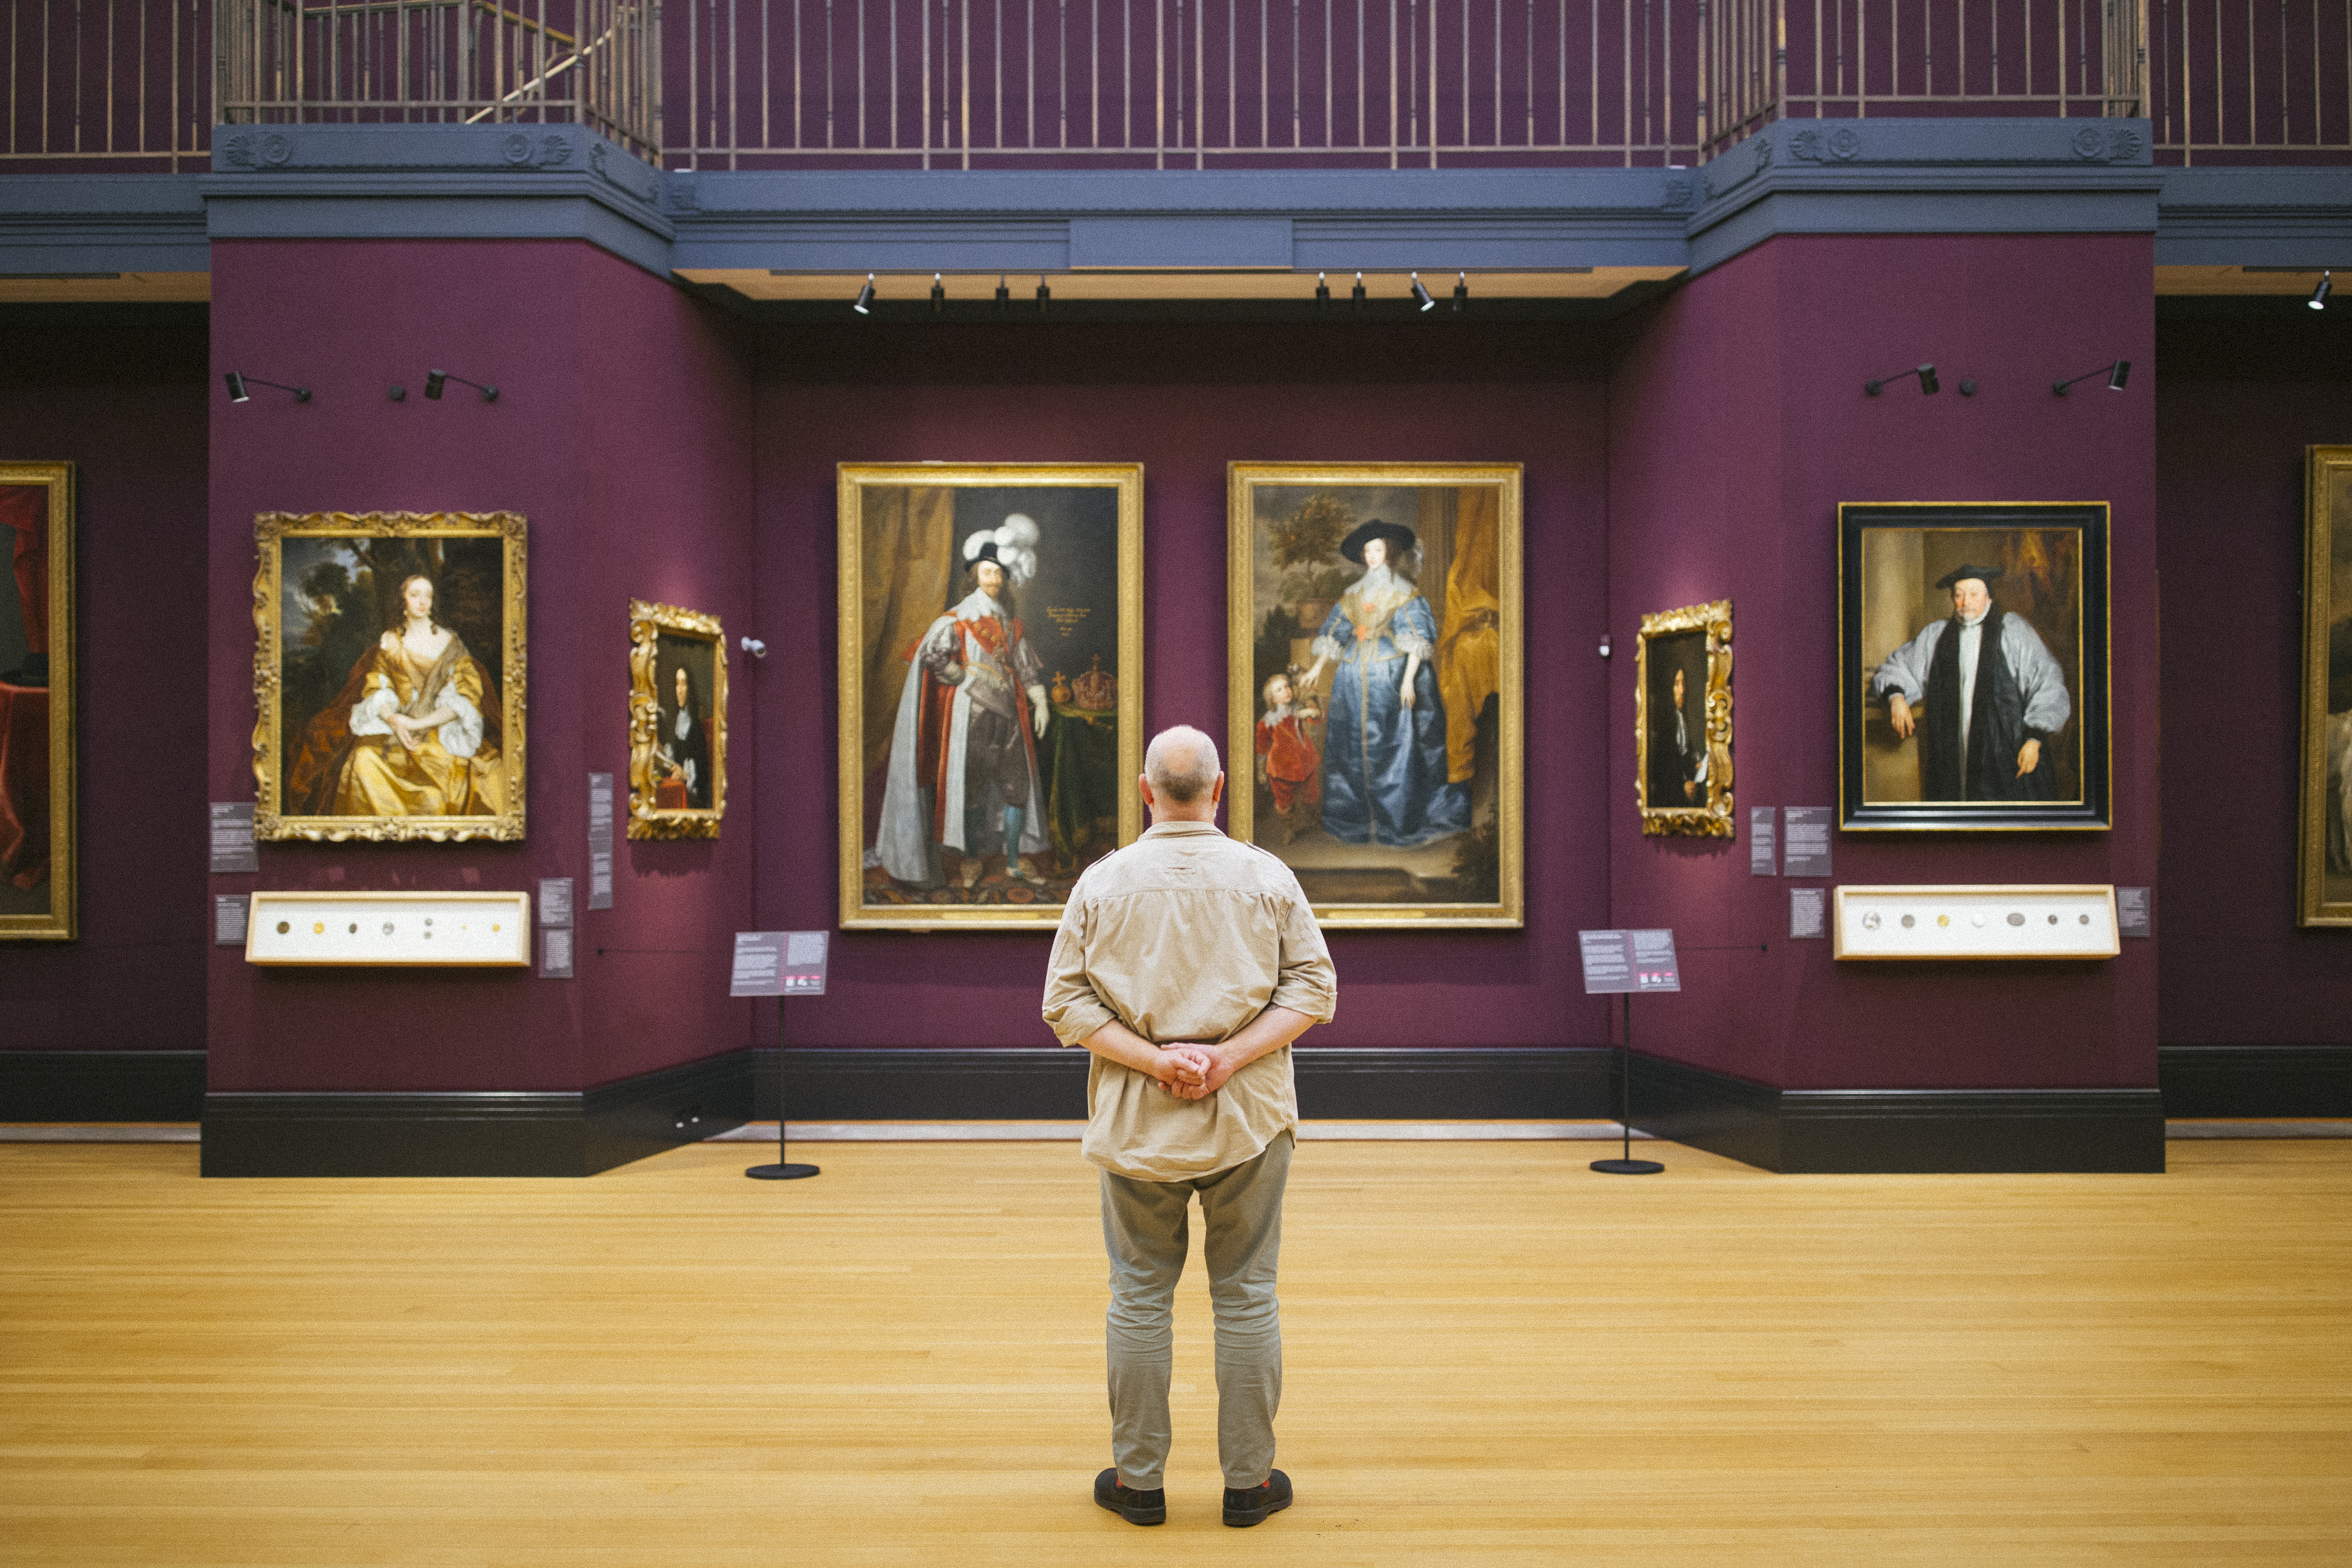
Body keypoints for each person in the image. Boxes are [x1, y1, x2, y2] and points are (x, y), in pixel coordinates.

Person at [1041, 725, 1337, 1530]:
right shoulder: (1265, 875)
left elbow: (1063, 1005)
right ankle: (1248, 1483)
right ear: (1220, 789)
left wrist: (1154, 1060)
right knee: (1246, 1296)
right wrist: (1228, 1058)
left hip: (1141, 1121)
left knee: (1139, 1297)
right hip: (1248, 1118)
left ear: (1146, 789)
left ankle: (1139, 1484)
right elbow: (1316, 987)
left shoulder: (1103, 884)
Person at [874, 517, 1053, 888]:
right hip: (970, 716)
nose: (993, 579)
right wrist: (964, 677)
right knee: (970, 789)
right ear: (975, 575)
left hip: (1010, 719)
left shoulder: (1011, 624)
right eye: (987, 572)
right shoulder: (957, 620)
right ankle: (972, 859)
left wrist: (1041, 701)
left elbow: (1026, 668)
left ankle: (1015, 862)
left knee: (1015, 789)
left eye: (999, 574)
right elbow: (933, 657)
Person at [1297, 521, 1470, 846]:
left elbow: (1417, 638)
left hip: (1390, 676)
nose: (1373, 555)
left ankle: (1397, 823)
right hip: (1351, 677)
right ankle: (1353, 822)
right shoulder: (1352, 595)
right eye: (1368, 550)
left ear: (1389, 552)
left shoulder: (1405, 593)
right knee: (1348, 749)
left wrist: (1409, 681)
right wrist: (1318, 667)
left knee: (1395, 746)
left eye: (1378, 549)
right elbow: (1337, 630)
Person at [286, 573, 505, 818]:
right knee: (363, 759)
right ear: (403, 602)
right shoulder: (390, 643)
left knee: (451, 777)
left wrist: (416, 723)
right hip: (395, 729)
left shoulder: (451, 644)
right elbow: (376, 688)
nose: (423, 601)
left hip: (438, 731)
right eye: (415, 595)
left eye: (428, 596)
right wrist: (395, 720)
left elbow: (467, 698)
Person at [1868, 563, 2072, 802]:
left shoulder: (2013, 631)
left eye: (1974, 594)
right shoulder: (1937, 635)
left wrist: (2034, 740)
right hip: (1952, 750)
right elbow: (1898, 667)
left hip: (2007, 747)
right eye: (1959, 595)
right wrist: (1897, 698)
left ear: (1989, 597)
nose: (1966, 603)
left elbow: (2048, 682)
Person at [1253, 670, 1321, 839]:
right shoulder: (1267, 721)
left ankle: (1310, 819)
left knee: (1311, 795)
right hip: (1281, 766)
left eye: (1287, 686)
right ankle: (1288, 828)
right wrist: (1261, 771)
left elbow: (1316, 720)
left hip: (1305, 760)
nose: (1287, 691)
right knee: (1284, 801)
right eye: (1280, 690)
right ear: (1272, 698)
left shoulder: (1298, 709)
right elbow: (1261, 748)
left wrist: (1313, 708)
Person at [655, 663, 710, 808]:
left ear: (690, 688)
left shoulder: (696, 728)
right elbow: (674, 757)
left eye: (684, 684)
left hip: (693, 797)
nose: (679, 690)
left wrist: (685, 775)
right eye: (677, 684)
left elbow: (702, 776)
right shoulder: (675, 721)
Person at [1659, 664, 1708, 804]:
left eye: (1683, 684)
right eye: (1677, 684)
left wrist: (1695, 765)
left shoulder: (1681, 716)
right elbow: (1665, 766)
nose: (1682, 690)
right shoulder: (1665, 721)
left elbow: (1683, 756)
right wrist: (1682, 785)